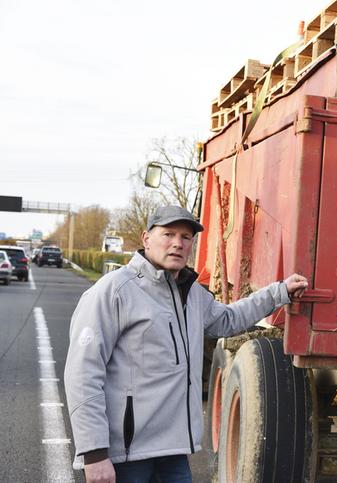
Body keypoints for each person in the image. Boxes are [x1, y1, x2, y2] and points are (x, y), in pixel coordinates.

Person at [63, 205, 308, 483]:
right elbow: (82, 374)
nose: (178, 243)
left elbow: (229, 319)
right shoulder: (113, 292)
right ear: (146, 238)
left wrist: (279, 292)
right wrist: (94, 454)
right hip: (128, 455)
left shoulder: (192, 294)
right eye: (168, 234)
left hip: (173, 452)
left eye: (186, 237)